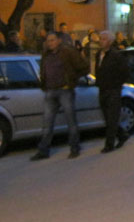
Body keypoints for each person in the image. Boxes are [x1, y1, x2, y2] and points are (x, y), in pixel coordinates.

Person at [31, 31, 90, 160]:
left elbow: (85, 67)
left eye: (52, 40)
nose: (50, 43)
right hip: (50, 91)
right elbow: (43, 71)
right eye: (48, 40)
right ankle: (43, 150)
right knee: (47, 122)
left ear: (58, 40)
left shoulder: (68, 52)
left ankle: (74, 147)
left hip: (65, 91)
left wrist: (72, 79)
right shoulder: (46, 54)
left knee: (71, 121)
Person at [95, 30, 130, 153]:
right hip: (102, 89)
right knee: (107, 117)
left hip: (113, 89)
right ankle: (122, 134)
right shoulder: (99, 54)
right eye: (100, 38)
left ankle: (109, 144)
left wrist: (117, 84)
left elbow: (124, 71)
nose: (101, 41)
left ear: (110, 42)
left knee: (112, 117)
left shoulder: (116, 55)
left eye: (103, 39)